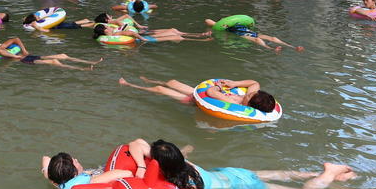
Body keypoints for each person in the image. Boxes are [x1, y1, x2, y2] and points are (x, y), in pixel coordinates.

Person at [143, 139, 356, 189]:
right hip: (233, 172)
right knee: (285, 175)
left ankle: (330, 172)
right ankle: (338, 176)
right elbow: (185, 150)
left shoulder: (180, 184)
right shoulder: (188, 166)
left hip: (241, 185)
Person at [118, 76, 276, 112]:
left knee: (161, 90)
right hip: (200, 93)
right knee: (171, 82)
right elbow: (254, 83)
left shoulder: (235, 104)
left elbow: (210, 92)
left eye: (250, 95)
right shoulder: (250, 96)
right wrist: (234, 84)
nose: (250, 93)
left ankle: (130, 85)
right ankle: (149, 80)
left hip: (193, 100)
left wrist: (219, 87)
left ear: (250, 103)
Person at [41, 140, 147, 189]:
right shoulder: (92, 181)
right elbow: (128, 173)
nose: (77, 160)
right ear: (74, 173)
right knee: (137, 143)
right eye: (75, 162)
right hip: (111, 172)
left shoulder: (57, 182)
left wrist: (48, 171)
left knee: (137, 143)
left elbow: (45, 159)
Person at [0, 36, 101, 70]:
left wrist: (23, 50)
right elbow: (3, 53)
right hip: (23, 60)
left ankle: (90, 62)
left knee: (62, 55)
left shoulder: (0, 47)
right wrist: (17, 56)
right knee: (54, 61)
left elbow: (15, 39)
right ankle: (82, 69)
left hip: (25, 56)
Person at [204, 18, 303, 52]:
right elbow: (207, 20)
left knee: (272, 38)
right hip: (241, 34)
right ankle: (272, 49)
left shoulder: (239, 21)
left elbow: (248, 22)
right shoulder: (225, 26)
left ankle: (293, 47)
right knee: (257, 40)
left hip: (250, 31)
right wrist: (221, 23)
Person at [94, 22, 211, 43]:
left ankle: (199, 34)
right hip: (143, 39)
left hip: (142, 36)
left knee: (173, 30)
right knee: (176, 36)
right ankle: (202, 39)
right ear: (105, 31)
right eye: (106, 27)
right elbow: (132, 34)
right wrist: (144, 39)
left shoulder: (114, 33)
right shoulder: (115, 35)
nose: (109, 27)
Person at [22, 12, 95, 31]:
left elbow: (25, 18)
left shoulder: (36, 21)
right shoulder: (34, 24)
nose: (38, 16)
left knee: (70, 26)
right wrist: (37, 26)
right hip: (54, 25)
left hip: (55, 26)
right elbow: (46, 31)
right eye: (37, 16)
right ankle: (85, 21)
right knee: (69, 24)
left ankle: (89, 24)